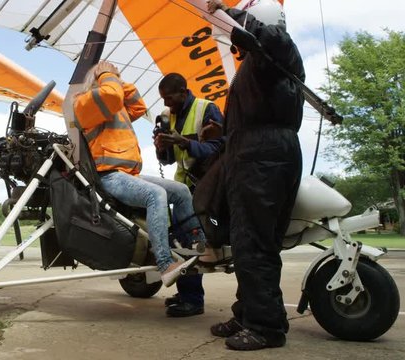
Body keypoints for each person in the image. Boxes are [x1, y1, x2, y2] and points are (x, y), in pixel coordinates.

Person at [206, 0, 305, 351]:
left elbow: (264, 37)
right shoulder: (261, 63)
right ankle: (249, 313)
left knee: (255, 243)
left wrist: (225, 12)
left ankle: (266, 327)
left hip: (262, 158)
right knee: (248, 242)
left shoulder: (277, 46)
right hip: (255, 154)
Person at [72, 60, 196, 287]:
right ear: (98, 79)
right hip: (109, 175)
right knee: (155, 195)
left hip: (128, 175)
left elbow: (138, 106)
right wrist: (107, 74)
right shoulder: (83, 103)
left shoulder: (113, 104)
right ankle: (165, 263)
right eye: (109, 76)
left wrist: (116, 78)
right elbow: (111, 96)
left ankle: (194, 244)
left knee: (181, 191)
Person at [154, 73, 225, 318]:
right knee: (180, 240)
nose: (166, 104)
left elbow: (219, 147)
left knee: (190, 242)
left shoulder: (208, 109)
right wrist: (162, 149)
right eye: (163, 99)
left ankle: (193, 300)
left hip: (206, 187)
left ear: (184, 92)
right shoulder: (169, 116)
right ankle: (187, 292)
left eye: (170, 98)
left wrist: (185, 142)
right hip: (183, 187)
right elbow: (171, 159)